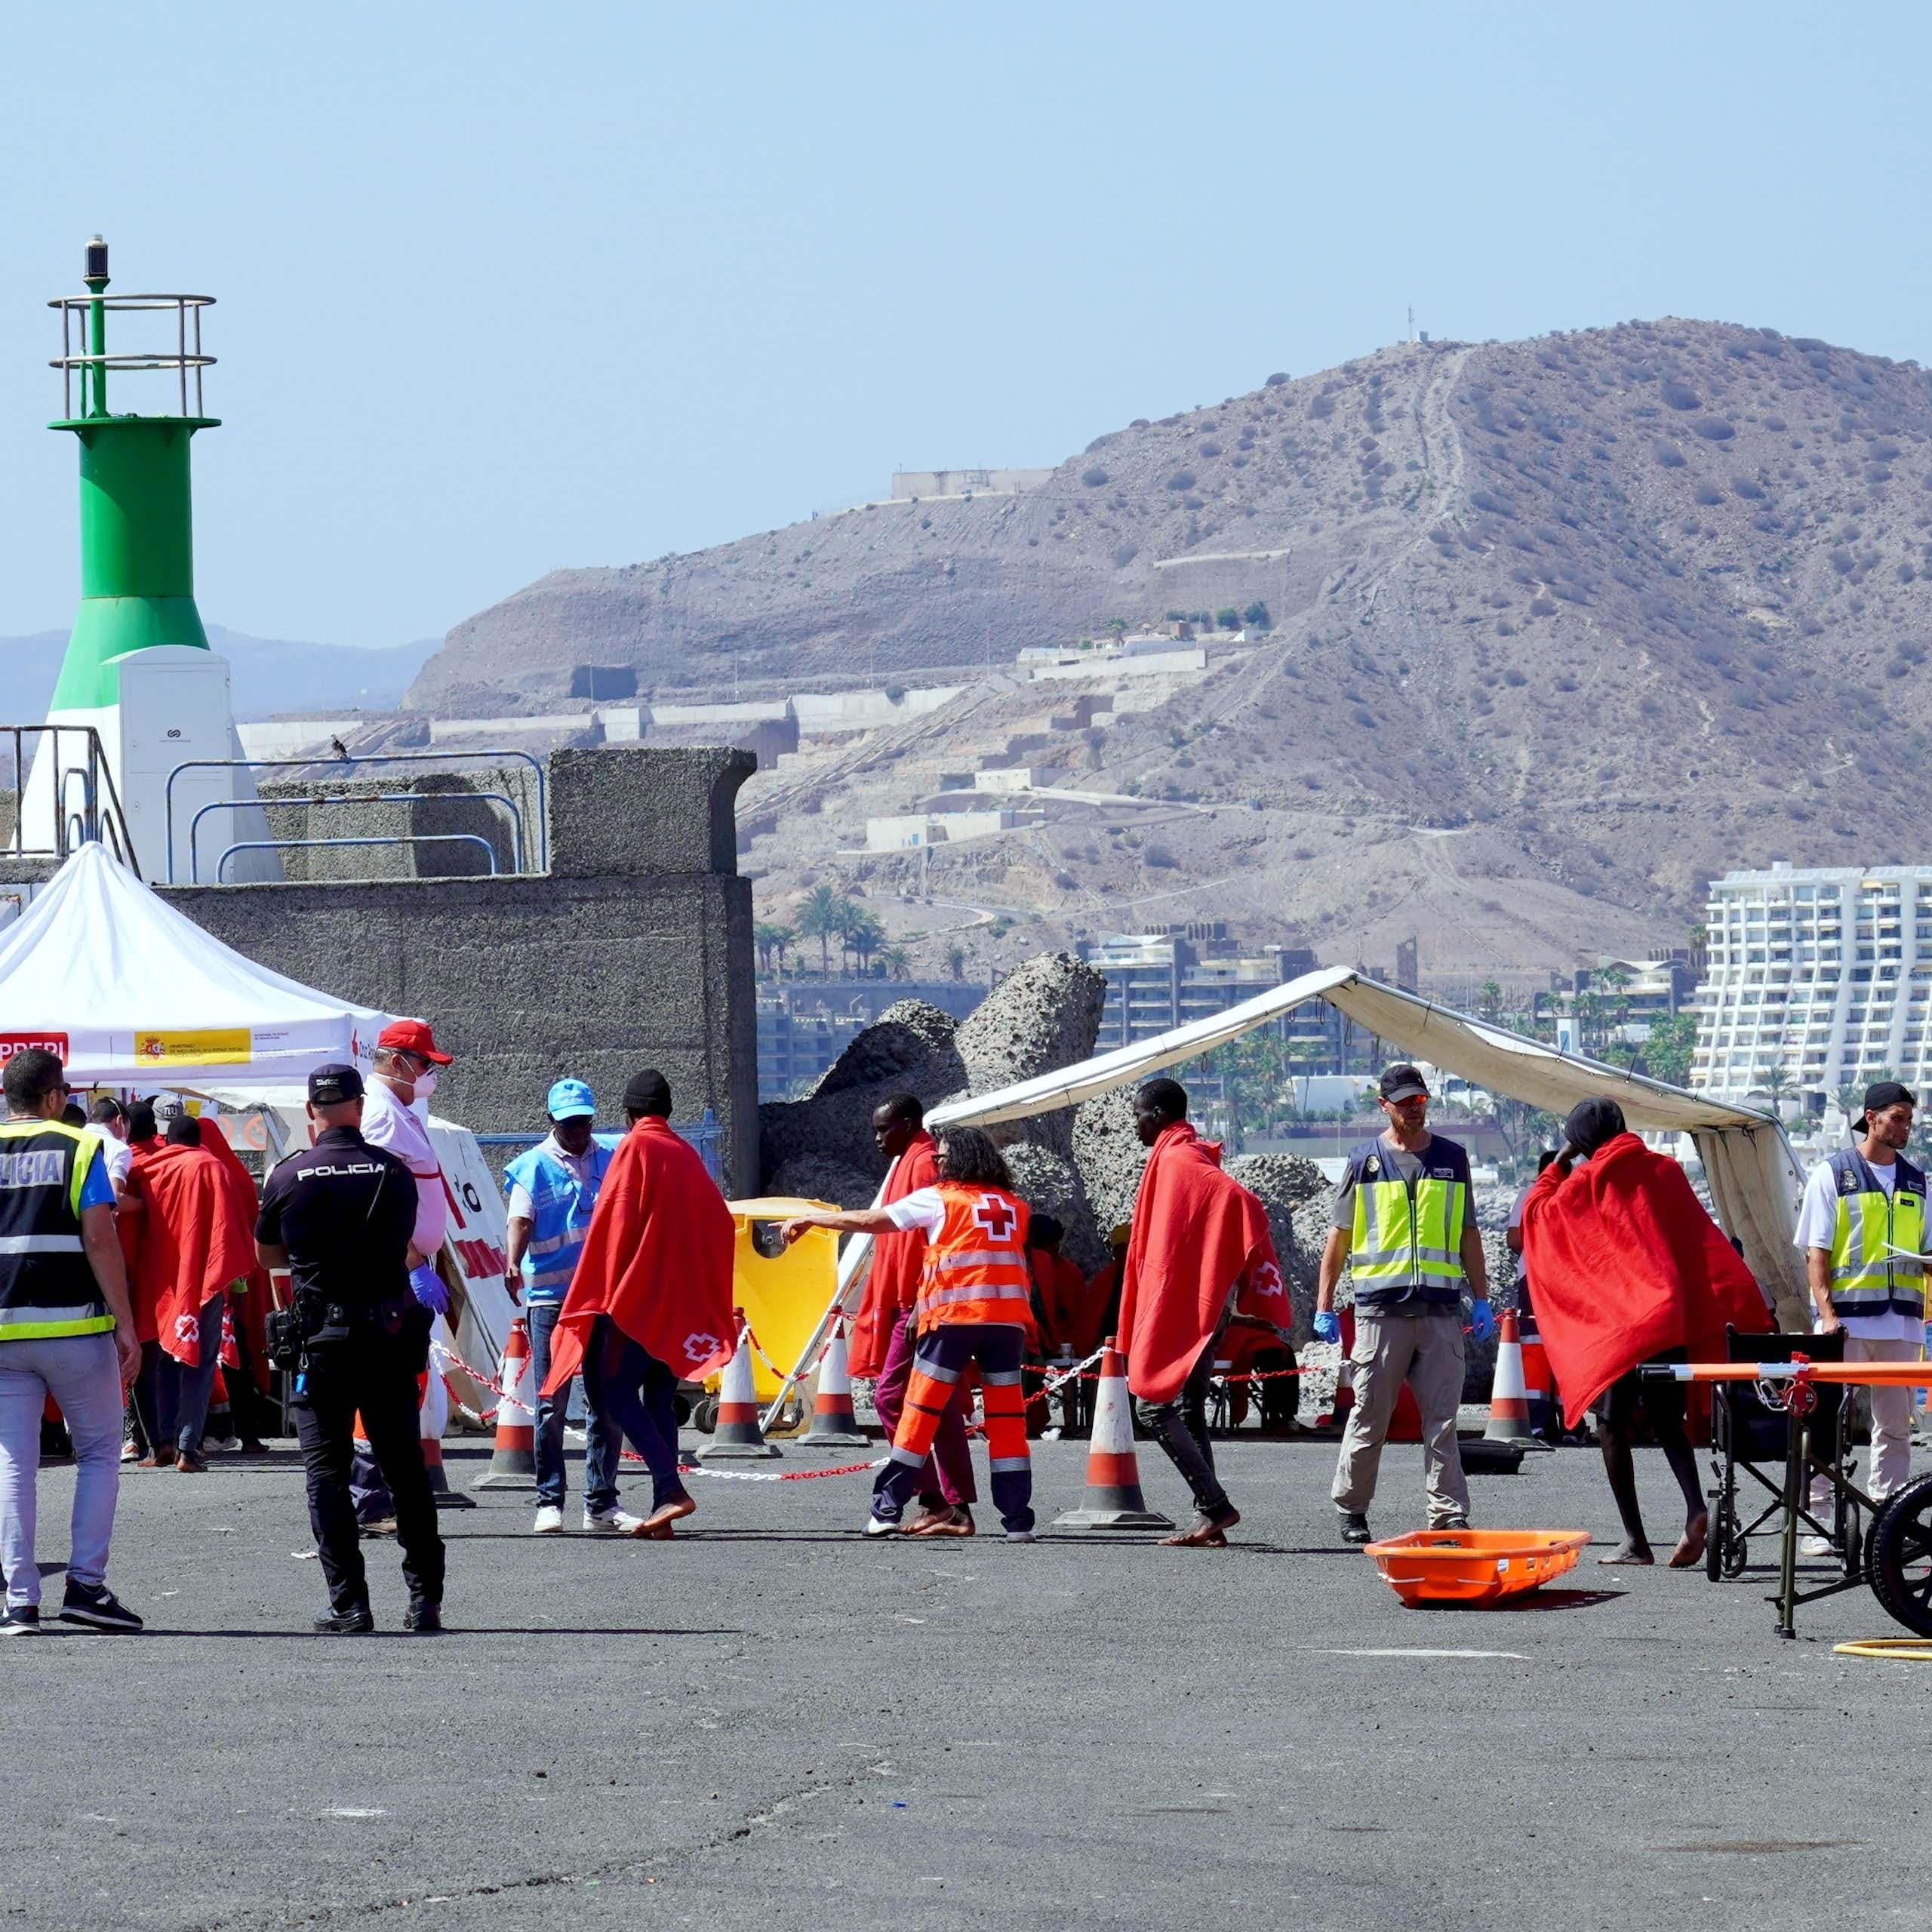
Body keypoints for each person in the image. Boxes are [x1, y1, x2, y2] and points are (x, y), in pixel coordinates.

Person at [1521, 1096, 1770, 1567]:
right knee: (1667, 1418)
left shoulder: (1585, 1182)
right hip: (1666, 1319)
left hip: (1621, 1328)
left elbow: (1538, 1217)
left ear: (1582, 1142)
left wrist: (1557, 1164)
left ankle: (1636, 1541)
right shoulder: (1664, 1170)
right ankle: (1696, 1508)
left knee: (1611, 1427)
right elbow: (1698, 1242)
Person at [254, 1063, 444, 1633]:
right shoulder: (394, 1172)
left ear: (312, 1110)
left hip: (323, 1342)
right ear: (360, 1107)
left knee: (326, 1473)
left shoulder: (289, 1177)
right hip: (386, 1335)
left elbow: (267, 1257)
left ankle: (349, 1603)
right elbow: (406, 1244)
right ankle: (425, 1601)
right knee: (406, 1471)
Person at [782, 1125, 1038, 1540]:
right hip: (1007, 1326)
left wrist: (814, 1218)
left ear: (957, 1160)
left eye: (941, 1158)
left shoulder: (941, 1200)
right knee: (1007, 1423)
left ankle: (885, 1512)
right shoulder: (1014, 1206)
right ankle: (1018, 1522)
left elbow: (873, 1220)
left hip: (953, 1322)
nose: (936, 1163)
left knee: (918, 1416)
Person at [540, 1070, 737, 1539]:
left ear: (629, 1115)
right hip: (678, 1304)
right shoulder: (686, 1154)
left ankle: (670, 1489)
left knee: (612, 1392)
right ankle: (660, 1509)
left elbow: (615, 1223)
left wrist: (598, 1292)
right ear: (667, 1111)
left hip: (634, 1303)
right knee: (660, 1400)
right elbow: (720, 1225)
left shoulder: (634, 1148)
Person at [1316, 1063, 1493, 1544]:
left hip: (1439, 1312)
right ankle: (1352, 1509)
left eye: (1420, 1101)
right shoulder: (1363, 1161)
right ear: (1384, 1105)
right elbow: (1341, 1236)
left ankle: (1448, 1514)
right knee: (1370, 1415)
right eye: (1405, 1103)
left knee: (1443, 1421)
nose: (1414, 1110)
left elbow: (1468, 1233)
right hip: (1380, 1313)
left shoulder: (1453, 1159)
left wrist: (1481, 1299)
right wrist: (1325, 1303)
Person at [0, 1048, 144, 1633]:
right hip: (76, 1330)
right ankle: (85, 1585)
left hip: (5, 1333)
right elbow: (101, 1242)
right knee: (100, 1453)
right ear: (55, 1097)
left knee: (13, 1464)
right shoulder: (83, 1147)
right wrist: (127, 1325)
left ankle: (18, 1600)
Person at [1118, 1078, 1287, 1548]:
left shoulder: (1177, 1158)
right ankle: (1208, 1519)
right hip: (1204, 1306)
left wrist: (1217, 1277)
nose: (1135, 1125)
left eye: (1137, 1116)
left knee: (1151, 1405)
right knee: (1188, 1407)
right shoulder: (1179, 1155)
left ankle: (1214, 1507)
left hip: (1194, 1307)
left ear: (1156, 1115)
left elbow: (1237, 1199)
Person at [1795, 1080, 1927, 1540]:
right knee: (1827, 1419)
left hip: (1903, 1324)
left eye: (1910, 1118)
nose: (1906, 1126)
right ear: (1870, 1118)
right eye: (1898, 1117)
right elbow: (1817, 1254)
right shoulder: (1832, 1175)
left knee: (1894, 1427)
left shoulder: (1917, 1180)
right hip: (1846, 1323)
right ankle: (1817, 1518)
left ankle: (1891, 1520)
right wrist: (1828, 1316)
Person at [848, 1094, 977, 1536]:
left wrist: (914, 1304)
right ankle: (953, 1507)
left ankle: (935, 1499)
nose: (878, 1139)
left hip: (920, 1306)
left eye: (884, 1129)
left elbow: (921, 1243)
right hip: (923, 1304)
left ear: (907, 1124)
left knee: (892, 1399)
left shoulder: (922, 1164)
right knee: (934, 1406)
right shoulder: (912, 1158)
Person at [503, 1077, 620, 1536]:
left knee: (606, 1404)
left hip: (601, 1298)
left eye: (585, 1121)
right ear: (551, 1120)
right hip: (551, 1300)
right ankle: (550, 1500)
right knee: (551, 1403)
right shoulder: (532, 1167)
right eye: (570, 1123)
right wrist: (512, 1261)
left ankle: (601, 1502)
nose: (579, 1131)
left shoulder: (611, 1155)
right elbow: (520, 1218)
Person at [353, 1019, 455, 1531]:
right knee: (385, 1384)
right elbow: (374, 1202)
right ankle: (371, 1498)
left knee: (402, 1382)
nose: (428, 1073)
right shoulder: (380, 1115)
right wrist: (413, 1263)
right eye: (422, 1064)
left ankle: (384, 1492)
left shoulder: (398, 1110)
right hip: (397, 1269)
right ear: (396, 1061)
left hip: (408, 1265)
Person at [133, 1113, 254, 1473]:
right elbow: (228, 1227)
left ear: (167, 1139)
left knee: (167, 1359)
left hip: (162, 1285)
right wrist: (233, 1279)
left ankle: (164, 1444)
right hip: (203, 1281)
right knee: (200, 1366)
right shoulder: (213, 1167)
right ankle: (189, 1449)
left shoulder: (152, 1169)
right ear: (199, 1139)